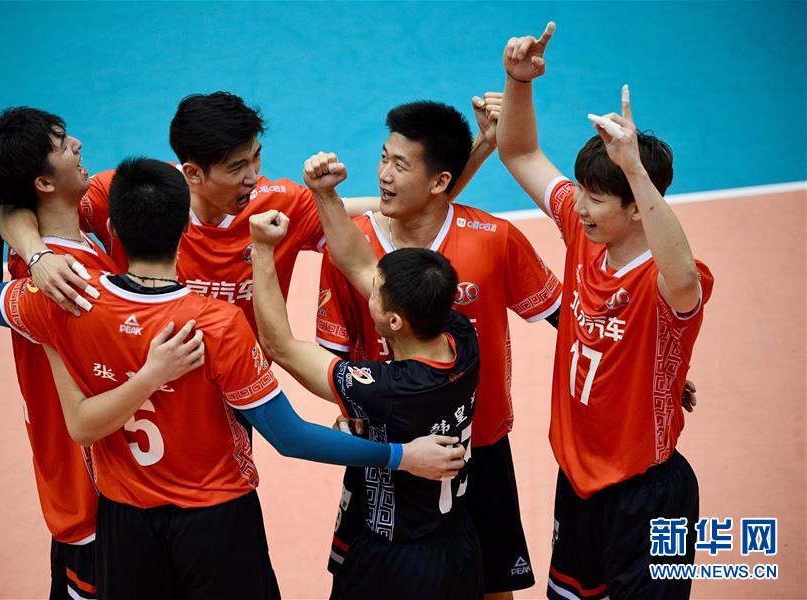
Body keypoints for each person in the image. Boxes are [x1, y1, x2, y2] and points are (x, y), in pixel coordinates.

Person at [0, 157, 467, 599]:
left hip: (125, 520)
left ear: (113, 227)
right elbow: (289, 436)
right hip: (216, 519)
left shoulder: (67, 301)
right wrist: (400, 456)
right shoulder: (215, 324)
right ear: (184, 231)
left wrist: (4, 216)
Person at [496, 22, 714, 600]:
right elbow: (519, 152)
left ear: (638, 206)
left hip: (649, 495)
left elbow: (682, 276)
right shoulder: (584, 235)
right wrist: (518, 82)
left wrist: (636, 169)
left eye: (595, 197)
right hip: (579, 482)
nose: (579, 206)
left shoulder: (670, 283)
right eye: (581, 192)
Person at [314, 101, 562, 598]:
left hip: (479, 441)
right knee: (360, 579)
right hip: (385, 453)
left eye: (400, 165)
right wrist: (349, 415)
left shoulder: (494, 239)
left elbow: (566, 317)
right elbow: (334, 354)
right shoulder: (351, 245)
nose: (383, 175)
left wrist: (643, 356)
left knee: (493, 584)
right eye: (383, 158)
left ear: (440, 180)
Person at [0, 92, 495, 332]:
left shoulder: (280, 203)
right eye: (237, 167)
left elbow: (403, 208)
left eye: (257, 158)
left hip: (234, 387)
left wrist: (481, 148)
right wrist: (37, 256)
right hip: (146, 380)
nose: (254, 176)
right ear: (192, 173)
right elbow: (12, 204)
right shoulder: (140, 193)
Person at [250, 181, 482, 599]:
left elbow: (279, 346)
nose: (367, 288)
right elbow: (359, 264)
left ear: (394, 321)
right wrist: (325, 196)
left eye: (375, 293)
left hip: (397, 561)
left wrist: (263, 252)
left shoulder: (385, 388)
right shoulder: (461, 337)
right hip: (457, 543)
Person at [0, 107, 114, 600]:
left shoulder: (43, 256)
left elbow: (1, 221)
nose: (78, 144)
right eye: (63, 144)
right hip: (96, 498)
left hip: (77, 493)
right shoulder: (62, 285)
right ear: (44, 184)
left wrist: (28, 245)